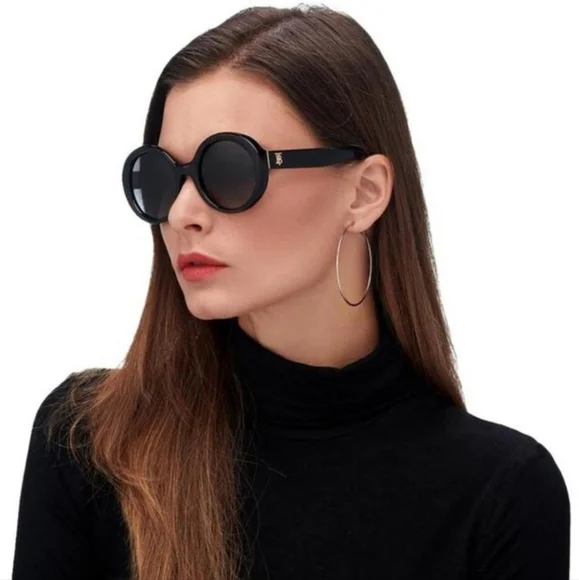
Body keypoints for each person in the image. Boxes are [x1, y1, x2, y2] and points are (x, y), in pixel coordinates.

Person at [11, 5, 570, 580]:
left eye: (229, 171)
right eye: (161, 178)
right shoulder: (92, 444)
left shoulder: (500, 494)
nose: (180, 213)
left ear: (364, 193)